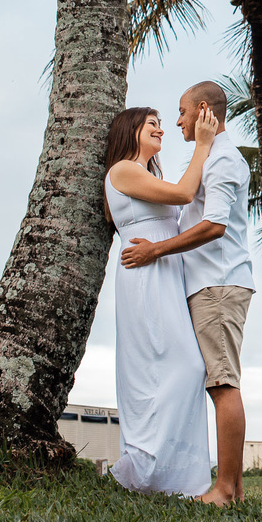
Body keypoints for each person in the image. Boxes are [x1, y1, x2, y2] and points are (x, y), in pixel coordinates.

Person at [121, 81, 256, 506]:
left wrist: (155, 250)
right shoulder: (214, 157)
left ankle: (224, 490)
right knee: (217, 379)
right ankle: (230, 486)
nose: (176, 121)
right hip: (209, 284)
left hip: (217, 284)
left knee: (222, 383)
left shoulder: (221, 160)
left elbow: (215, 224)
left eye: (179, 112)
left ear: (201, 110)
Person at [103, 105, 217, 497]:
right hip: (146, 275)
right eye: (152, 125)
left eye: (162, 126)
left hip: (166, 272)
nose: (161, 131)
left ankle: (167, 475)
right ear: (130, 129)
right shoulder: (123, 170)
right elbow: (185, 193)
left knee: (181, 368)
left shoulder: (150, 174)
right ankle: (146, 469)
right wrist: (203, 144)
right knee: (174, 367)